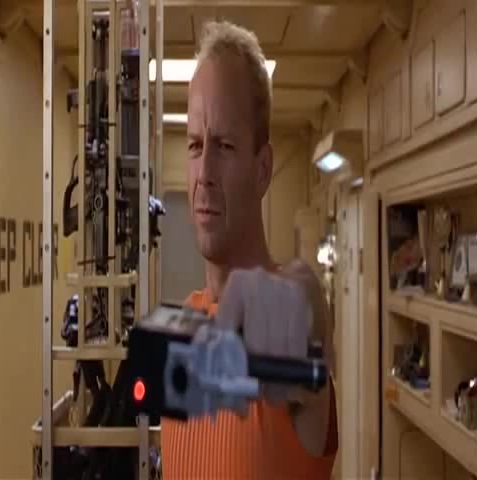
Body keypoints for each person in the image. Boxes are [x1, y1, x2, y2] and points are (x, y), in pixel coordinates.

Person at [160, 20, 338, 480]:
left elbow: (307, 305)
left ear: (262, 170)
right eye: (196, 145)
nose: (204, 174)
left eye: (224, 145)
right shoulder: (186, 325)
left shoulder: (280, 332)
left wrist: (308, 305)